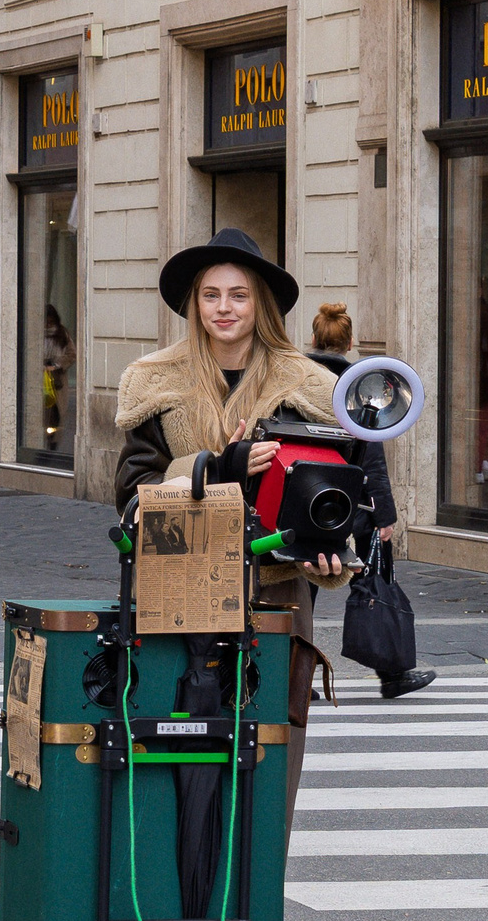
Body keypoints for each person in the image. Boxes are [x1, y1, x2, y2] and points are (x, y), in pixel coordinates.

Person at [112, 228, 349, 825]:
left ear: (261, 304)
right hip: (176, 593)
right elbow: (130, 495)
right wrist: (216, 468)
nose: (224, 308)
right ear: (194, 303)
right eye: (211, 295)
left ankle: (255, 909)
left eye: (239, 296)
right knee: (174, 758)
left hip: (274, 594)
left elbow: (337, 490)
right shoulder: (154, 380)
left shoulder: (310, 387)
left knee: (267, 763)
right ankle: (176, 910)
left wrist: (330, 555)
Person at [304, 302, 434, 701]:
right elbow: (371, 457)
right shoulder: (361, 385)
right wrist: (385, 515)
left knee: (295, 593)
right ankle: (393, 672)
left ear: (313, 339)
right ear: (350, 342)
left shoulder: (297, 380)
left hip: (306, 498)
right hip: (355, 505)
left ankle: (292, 680)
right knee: (375, 581)